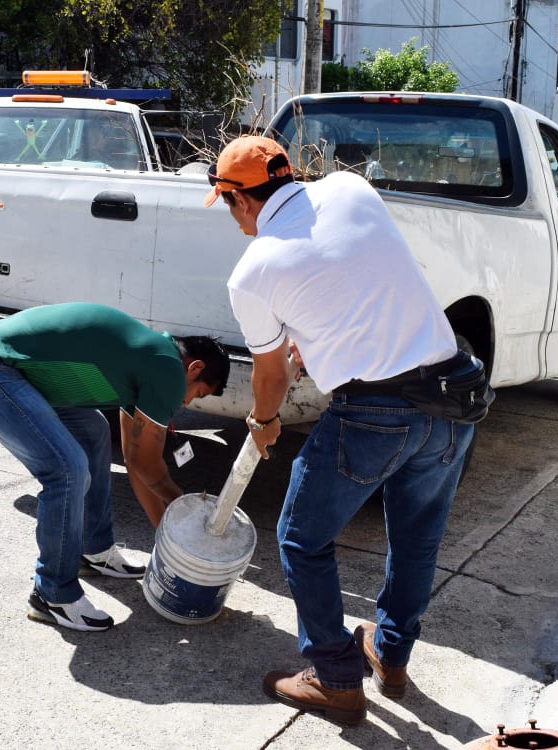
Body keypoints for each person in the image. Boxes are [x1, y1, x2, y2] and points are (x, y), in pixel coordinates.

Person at [204, 136, 473, 724]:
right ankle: (391, 655)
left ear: (239, 200)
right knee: (416, 538)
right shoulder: (352, 187)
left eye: (227, 207)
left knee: (301, 538)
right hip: (453, 395)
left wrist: (264, 420)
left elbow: (271, 376)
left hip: (375, 413)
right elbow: (357, 275)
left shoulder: (252, 271)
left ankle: (335, 678)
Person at [0, 302, 229, 632]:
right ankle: (52, 593)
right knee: (67, 470)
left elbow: (134, 460)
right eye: (198, 394)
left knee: (94, 432)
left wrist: (167, 541)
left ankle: (93, 550)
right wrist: (186, 516)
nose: (188, 403)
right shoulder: (168, 368)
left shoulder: (150, 358)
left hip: (11, 372)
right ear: (194, 368)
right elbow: (147, 465)